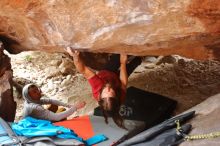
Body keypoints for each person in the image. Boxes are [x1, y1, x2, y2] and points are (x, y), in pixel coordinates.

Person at [66, 47, 142, 128]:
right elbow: (123, 82)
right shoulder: (120, 97)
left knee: (117, 56)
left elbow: (83, 70)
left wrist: (75, 56)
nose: (108, 88)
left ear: (101, 95)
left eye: (105, 92)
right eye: (111, 92)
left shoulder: (97, 86)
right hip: (117, 81)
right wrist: (123, 63)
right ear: (115, 95)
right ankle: (140, 58)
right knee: (131, 65)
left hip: (107, 72)